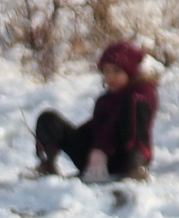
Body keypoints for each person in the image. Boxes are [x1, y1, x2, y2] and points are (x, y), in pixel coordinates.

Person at [34, 41, 158, 183]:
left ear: (130, 73)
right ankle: (47, 165)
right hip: (97, 161)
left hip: (124, 158)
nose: (110, 77)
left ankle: (136, 169)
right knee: (48, 119)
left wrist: (101, 150)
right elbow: (99, 128)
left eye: (117, 71)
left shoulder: (141, 93)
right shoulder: (104, 100)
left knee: (134, 106)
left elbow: (115, 124)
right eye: (106, 71)